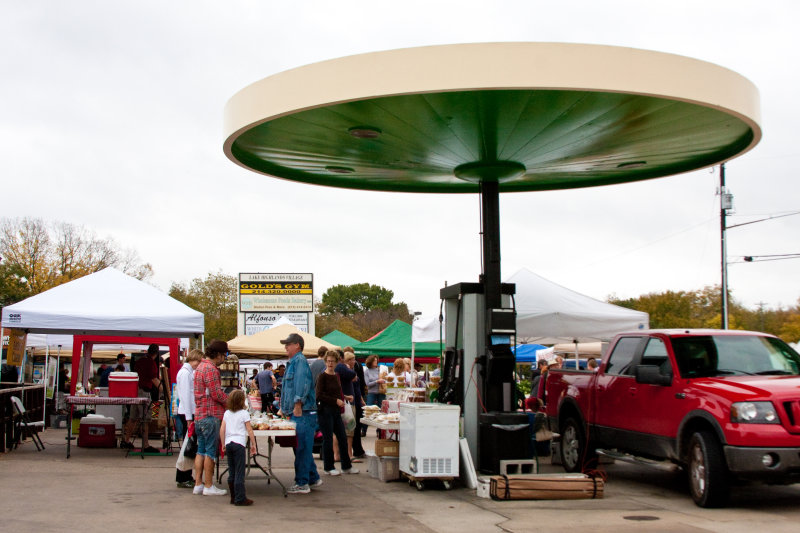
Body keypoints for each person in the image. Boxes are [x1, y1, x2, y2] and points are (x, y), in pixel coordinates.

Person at [278, 333, 321, 494]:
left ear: (297, 345)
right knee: (301, 447)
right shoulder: (295, 362)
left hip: (303, 411)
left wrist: (298, 403)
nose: (286, 347)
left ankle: (302, 483)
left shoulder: (299, 362)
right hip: (300, 411)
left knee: (301, 447)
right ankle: (312, 477)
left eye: (288, 344)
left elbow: (302, 384)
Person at [192, 340, 229, 496]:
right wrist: (230, 402)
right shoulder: (211, 369)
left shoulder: (200, 367)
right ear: (218, 355)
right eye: (224, 355)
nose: (225, 359)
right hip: (211, 415)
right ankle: (208, 485)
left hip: (199, 414)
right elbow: (216, 393)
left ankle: (198, 484)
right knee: (210, 452)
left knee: (200, 451)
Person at [315, 350, 358, 476]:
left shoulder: (336, 375)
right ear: (325, 362)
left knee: (343, 438)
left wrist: (345, 397)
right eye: (328, 361)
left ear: (336, 362)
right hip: (325, 411)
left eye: (332, 361)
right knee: (328, 439)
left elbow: (336, 393)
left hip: (336, 411)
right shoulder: (322, 376)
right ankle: (328, 467)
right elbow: (319, 395)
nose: (330, 363)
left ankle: (346, 466)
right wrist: (336, 400)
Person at [120, 343, 161, 453]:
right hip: (144, 391)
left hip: (135, 390)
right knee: (146, 419)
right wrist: (164, 389)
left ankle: (126, 440)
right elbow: (154, 379)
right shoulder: (151, 363)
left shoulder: (139, 361)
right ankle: (146, 444)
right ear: (156, 353)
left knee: (132, 417)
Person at [220, 389, 257, 506]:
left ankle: (233, 496)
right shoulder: (244, 414)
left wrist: (223, 444)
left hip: (229, 443)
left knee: (232, 471)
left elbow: (222, 429)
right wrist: (253, 444)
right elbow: (249, 430)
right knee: (240, 472)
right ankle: (240, 498)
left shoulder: (227, 413)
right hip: (239, 444)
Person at [175, 349, 203, 488]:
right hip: (188, 412)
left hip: (189, 411)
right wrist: (188, 417)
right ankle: (183, 476)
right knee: (189, 446)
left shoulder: (186, 372)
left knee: (189, 445)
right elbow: (185, 396)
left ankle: (185, 475)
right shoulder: (186, 373)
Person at [344, 351, 367, 457]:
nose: (354, 361)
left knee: (356, 427)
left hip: (356, 400)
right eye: (352, 359)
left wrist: (361, 399)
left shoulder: (353, 370)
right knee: (352, 429)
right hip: (350, 402)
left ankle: (356, 450)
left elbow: (357, 387)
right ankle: (351, 452)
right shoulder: (348, 371)